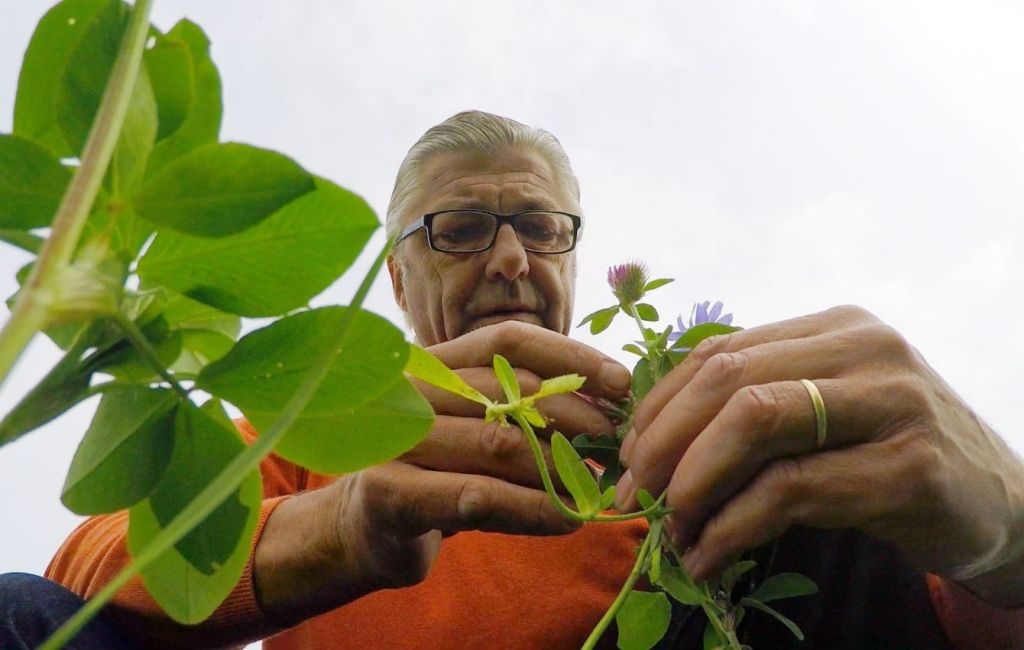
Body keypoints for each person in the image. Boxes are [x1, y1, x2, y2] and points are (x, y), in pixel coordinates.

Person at [3, 110, 1023, 649]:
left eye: (540, 226)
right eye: (458, 229)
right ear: (397, 277)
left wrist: (1009, 538)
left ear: (575, 259)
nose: (508, 260)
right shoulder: (313, 422)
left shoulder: (674, 422)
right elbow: (81, 579)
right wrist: (346, 520)